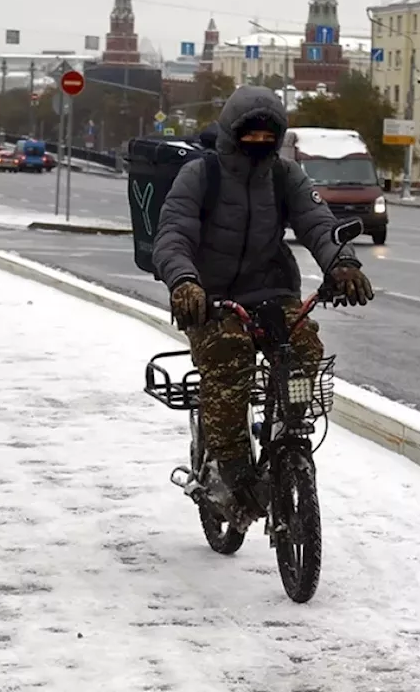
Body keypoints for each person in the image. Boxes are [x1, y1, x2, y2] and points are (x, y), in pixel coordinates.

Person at [152, 85, 373, 526]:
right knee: (229, 360)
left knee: (304, 349)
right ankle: (230, 471)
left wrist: (343, 264)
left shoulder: (285, 176)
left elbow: (317, 224)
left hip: (272, 290)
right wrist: (184, 282)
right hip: (210, 297)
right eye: (248, 135)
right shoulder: (201, 175)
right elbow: (172, 234)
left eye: (266, 136)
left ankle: (287, 433)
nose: (258, 143)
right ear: (232, 134)